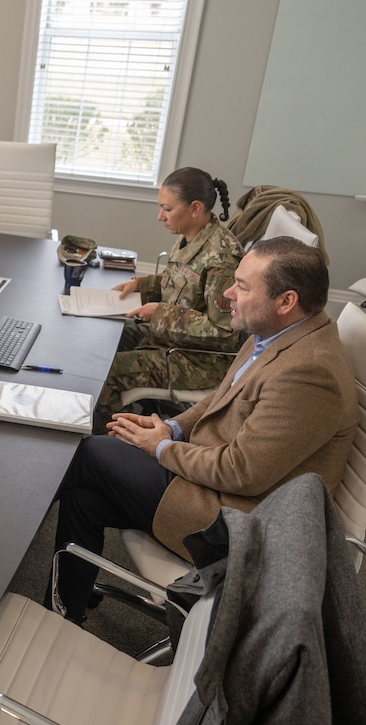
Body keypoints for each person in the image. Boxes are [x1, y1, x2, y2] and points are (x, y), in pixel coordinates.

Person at [49, 237, 356, 623]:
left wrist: (161, 448)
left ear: (286, 301)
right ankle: (62, 611)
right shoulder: (275, 332)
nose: (228, 294)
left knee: (92, 452)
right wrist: (173, 427)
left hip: (241, 523)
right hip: (211, 487)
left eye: (242, 287)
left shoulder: (310, 373)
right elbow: (221, 397)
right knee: (82, 498)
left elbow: (242, 472)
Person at [95, 167, 245, 430]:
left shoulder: (222, 260)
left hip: (198, 361)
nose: (159, 217)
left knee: (108, 371)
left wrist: (161, 314)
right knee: (101, 342)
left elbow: (224, 331)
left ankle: (110, 436)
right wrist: (141, 285)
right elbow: (177, 282)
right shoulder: (191, 236)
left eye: (167, 209)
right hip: (170, 339)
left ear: (195, 208)